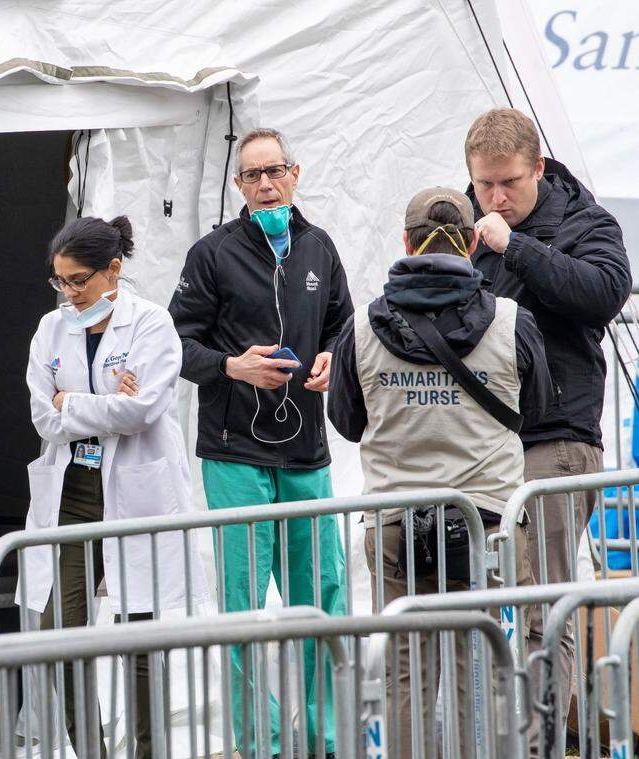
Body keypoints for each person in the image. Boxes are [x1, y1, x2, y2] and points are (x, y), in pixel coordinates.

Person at [327, 187, 551, 757]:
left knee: (403, 676)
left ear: (406, 242)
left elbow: (347, 423)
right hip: (491, 527)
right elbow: (536, 412)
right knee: (492, 669)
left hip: (396, 525)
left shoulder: (359, 328)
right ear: (474, 243)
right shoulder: (512, 321)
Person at [168, 127, 353, 757]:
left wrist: (332, 356)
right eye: (253, 175)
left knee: (322, 598)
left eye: (275, 171)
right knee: (242, 605)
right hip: (235, 453)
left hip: (306, 453)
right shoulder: (211, 253)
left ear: (295, 174)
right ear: (239, 185)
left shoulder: (319, 246)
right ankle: (262, 743)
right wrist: (231, 366)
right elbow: (176, 346)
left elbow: (344, 326)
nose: (266, 184)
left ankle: (326, 738)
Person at [464, 108, 631, 730]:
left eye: (509, 182)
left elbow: (605, 293)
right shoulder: (464, 225)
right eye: (484, 184)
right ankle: (507, 736)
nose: (496, 198)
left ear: (538, 167)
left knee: (542, 607)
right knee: (482, 606)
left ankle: (541, 743)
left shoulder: (586, 221)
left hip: (556, 438)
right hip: (480, 440)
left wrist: (517, 248)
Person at [20, 215, 207, 759]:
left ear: (114, 270)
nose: (70, 293)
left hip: (135, 490)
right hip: (72, 495)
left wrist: (72, 402)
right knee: (61, 634)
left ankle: (149, 752)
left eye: (79, 280)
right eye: (60, 281)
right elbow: (43, 418)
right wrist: (105, 403)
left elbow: (143, 410)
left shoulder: (151, 323)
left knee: (139, 638)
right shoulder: (50, 329)